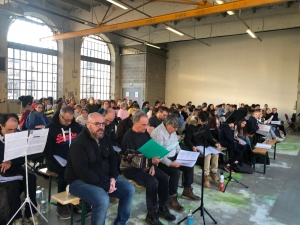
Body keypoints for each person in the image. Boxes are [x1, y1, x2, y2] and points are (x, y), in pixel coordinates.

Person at [65, 113, 134, 225]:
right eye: (97, 124)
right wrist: (103, 185)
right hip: (79, 181)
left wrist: (113, 177)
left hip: (104, 177)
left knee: (129, 189)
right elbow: (82, 171)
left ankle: (121, 223)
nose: (101, 127)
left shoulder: (105, 137)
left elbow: (112, 158)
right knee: (102, 200)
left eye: (103, 124)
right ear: (88, 125)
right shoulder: (79, 143)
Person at [121, 110, 176, 225]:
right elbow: (133, 160)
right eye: (144, 124)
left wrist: (152, 164)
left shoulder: (145, 133)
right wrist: (150, 162)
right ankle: (151, 213)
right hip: (130, 168)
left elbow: (151, 149)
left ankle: (162, 207)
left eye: (147, 124)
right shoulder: (128, 137)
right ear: (135, 122)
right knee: (152, 181)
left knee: (164, 177)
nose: (146, 127)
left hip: (145, 164)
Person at [151, 114, 200, 212]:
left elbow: (176, 145)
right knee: (175, 172)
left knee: (189, 165)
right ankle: (171, 198)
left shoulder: (172, 130)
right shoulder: (158, 133)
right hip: (161, 161)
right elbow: (158, 154)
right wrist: (170, 163)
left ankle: (187, 190)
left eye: (177, 127)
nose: (176, 129)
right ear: (167, 124)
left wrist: (182, 155)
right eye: (174, 127)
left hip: (173, 155)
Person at [43, 106, 82, 219]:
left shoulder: (76, 127)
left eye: (71, 119)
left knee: (84, 170)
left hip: (73, 159)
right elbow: (47, 152)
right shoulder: (50, 129)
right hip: (55, 160)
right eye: (66, 120)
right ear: (60, 116)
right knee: (66, 173)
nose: (69, 122)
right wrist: (60, 160)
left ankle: (77, 200)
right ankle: (61, 206)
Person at [0, 114, 38, 225]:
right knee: (13, 184)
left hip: (13, 167)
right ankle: (15, 217)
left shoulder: (18, 136)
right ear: (1, 126)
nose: (12, 133)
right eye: (9, 130)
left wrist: (10, 162)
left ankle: (30, 213)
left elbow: (22, 158)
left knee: (31, 178)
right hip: (1, 170)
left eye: (15, 129)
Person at [184, 111, 221, 188]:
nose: (204, 123)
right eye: (202, 121)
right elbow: (187, 140)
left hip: (206, 146)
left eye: (205, 121)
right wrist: (192, 146)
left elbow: (210, 138)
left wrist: (215, 143)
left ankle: (213, 172)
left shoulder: (206, 126)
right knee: (208, 155)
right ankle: (206, 176)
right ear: (199, 118)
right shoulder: (191, 126)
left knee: (216, 154)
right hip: (197, 147)